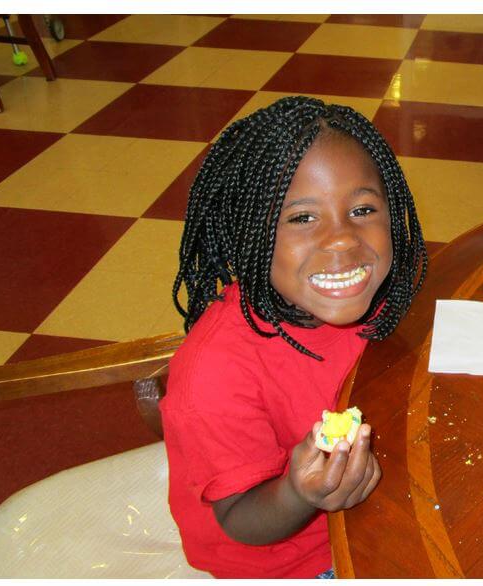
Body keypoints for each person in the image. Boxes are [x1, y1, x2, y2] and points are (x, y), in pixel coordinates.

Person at [160, 96, 428, 578]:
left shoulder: (381, 298)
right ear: (249, 235)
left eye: (363, 209)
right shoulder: (213, 375)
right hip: (290, 559)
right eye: (302, 218)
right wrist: (300, 493)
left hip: (373, 509)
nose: (344, 240)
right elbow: (239, 519)